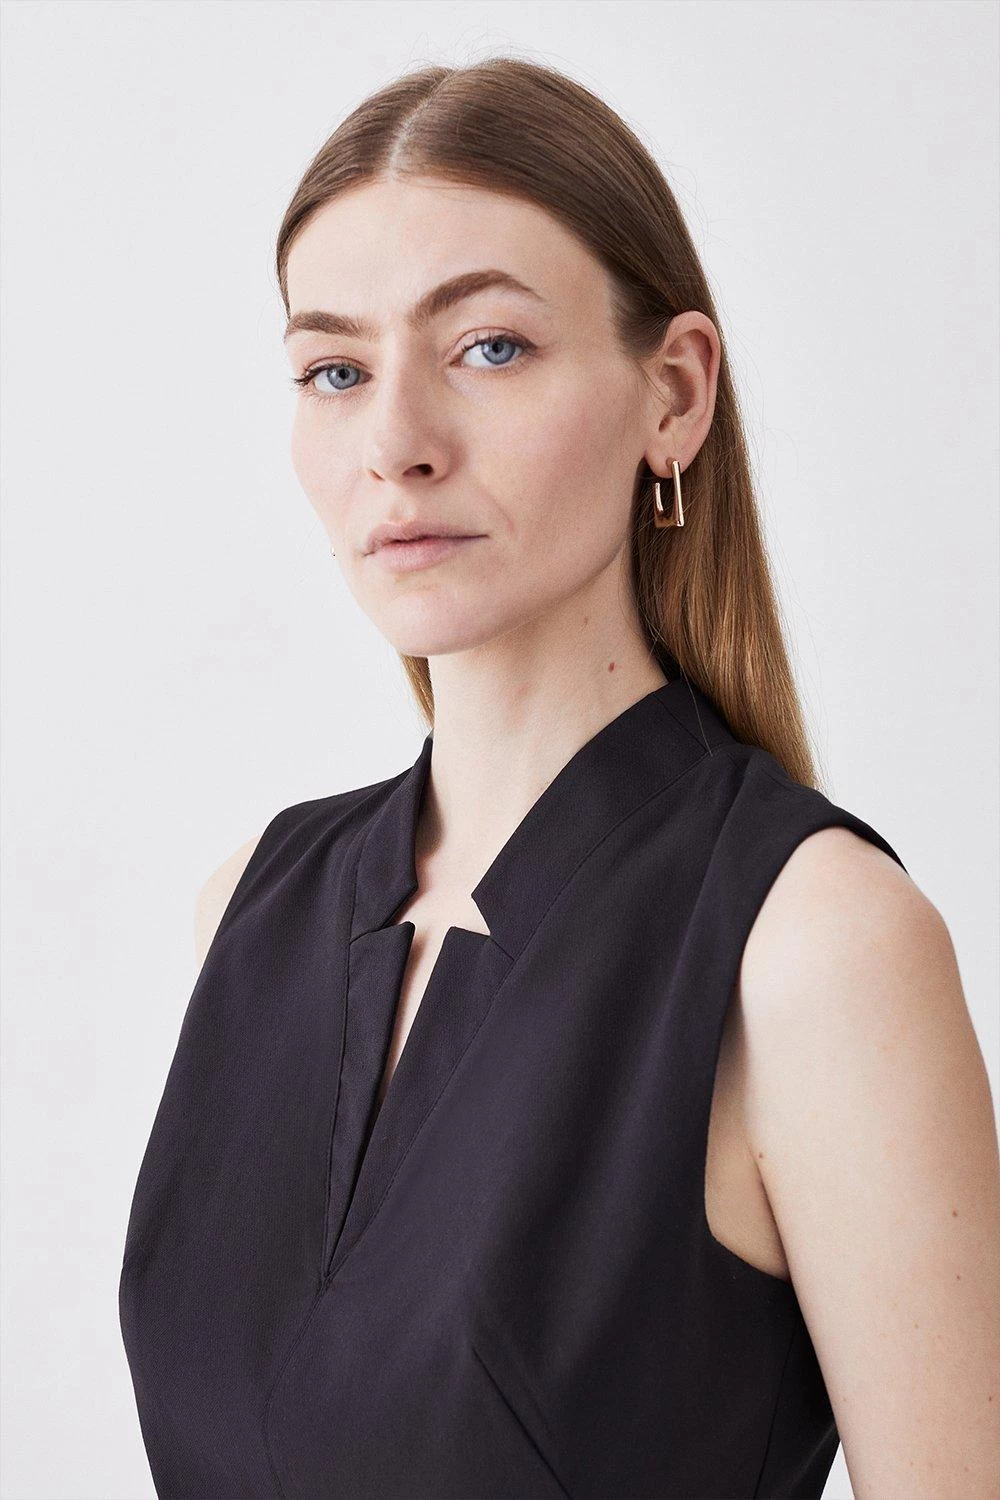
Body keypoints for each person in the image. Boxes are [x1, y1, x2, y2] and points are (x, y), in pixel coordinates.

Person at [119, 57, 1000, 1500]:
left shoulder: (814, 948)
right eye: (336, 371)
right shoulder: (254, 910)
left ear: (674, 394)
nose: (396, 446)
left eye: (488, 347)